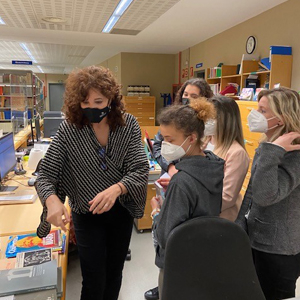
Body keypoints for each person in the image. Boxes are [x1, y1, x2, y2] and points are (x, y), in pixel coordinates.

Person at [35, 66, 149, 300]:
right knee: (93, 278)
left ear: (111, 99)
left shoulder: (128, 126)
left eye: (99, 102)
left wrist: (117, 188)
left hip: (121, 211)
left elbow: (140, 168)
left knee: (114, 273)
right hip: (86, 215)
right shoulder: (70, 129)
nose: (92, 108)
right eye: (85, 103)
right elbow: (45, 174)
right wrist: (52, 200)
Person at [145, 78, 213, 300]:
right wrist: (173, 166)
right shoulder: (214, 163)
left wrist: (156, 212)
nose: (165, 145)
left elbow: (166, 237)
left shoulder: (182, 182)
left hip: (177, 261)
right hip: (200, 254)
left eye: (169, 140)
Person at [236, 87, 300, 300]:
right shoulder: (271, 145)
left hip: (279, 249)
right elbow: (254, 190)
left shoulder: (294, 155)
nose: (255, 115)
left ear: (282, 119)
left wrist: (273, 151)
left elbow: (264, 195)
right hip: (261, 238)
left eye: (262, 111)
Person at [206, 96, 250, 221]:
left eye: (211, 117)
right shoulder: (205, 142)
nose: (205, 120)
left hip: (219, 220)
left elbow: (227, 197)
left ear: (224, 121)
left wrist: (196, 206)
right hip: (202, 216)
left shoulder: (236, 153)